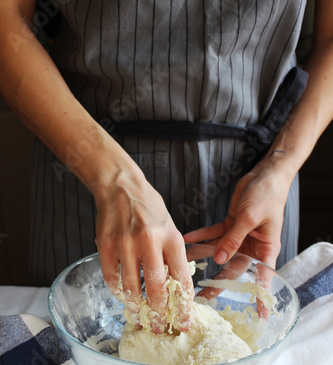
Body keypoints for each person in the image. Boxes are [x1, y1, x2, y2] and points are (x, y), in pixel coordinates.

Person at [0, 0, 332, 333]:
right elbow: (7, 23)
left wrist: (281, 165)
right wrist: (114, 180)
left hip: (262, 188)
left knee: (261, 348)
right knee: (75, 353)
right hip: (85, 171)